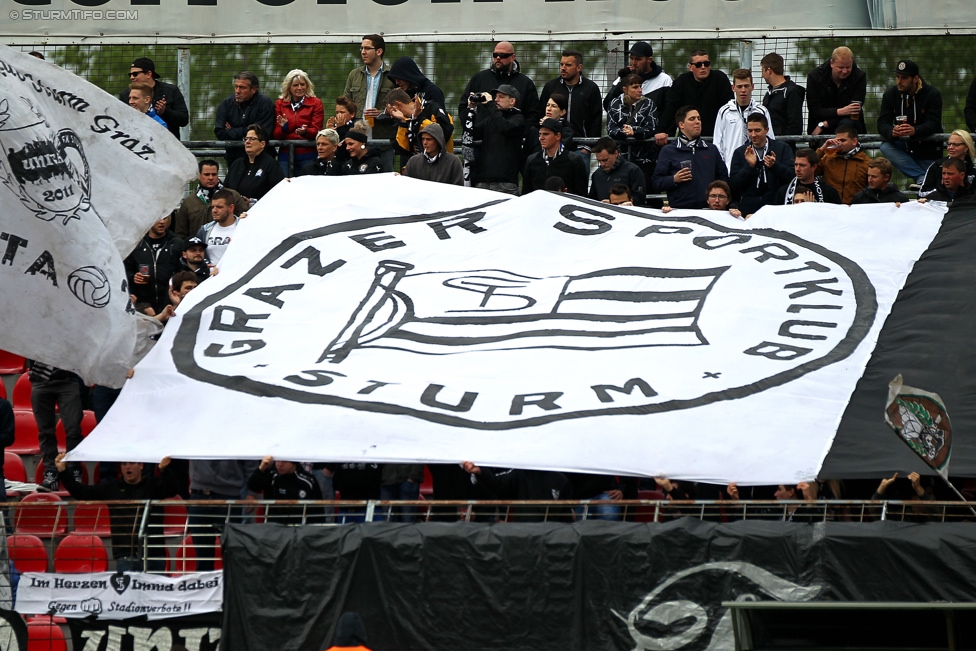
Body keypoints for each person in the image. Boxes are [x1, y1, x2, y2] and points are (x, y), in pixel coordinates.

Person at [56, 453, 182, 571]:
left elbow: (174, 489)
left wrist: (164, 470)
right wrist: (63, 471)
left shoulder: (153, 485)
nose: (127, 466)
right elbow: (81, 492)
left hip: (154, 555)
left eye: (132, 463)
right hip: (125, 556)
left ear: (141, 465)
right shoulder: (112, 488)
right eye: (123, 463)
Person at [458, 41, 540, 185]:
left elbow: (533, 116)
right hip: (480, 146)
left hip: (509, 151)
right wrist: (472, 110)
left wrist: (516, 135)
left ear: (513, 57)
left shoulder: (525, 83)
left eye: (503, 55)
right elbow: (463, 107)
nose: (498, 58)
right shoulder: (479, 78)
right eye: (495, 55)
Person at [878, 60, 943, 185]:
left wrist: (915, 130)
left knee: (928, 194)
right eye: (897, 77)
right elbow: (882, 123)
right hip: (904, 145)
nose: (899, 81)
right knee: (885, 146)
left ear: (915, 79)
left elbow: (934, 123)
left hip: (926, 148)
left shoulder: (932, 94)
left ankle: (924, 179)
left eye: (904, 78)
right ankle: (921, 177)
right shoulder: (890, 95)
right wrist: (892, 131)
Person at [652, 106, 729, 209]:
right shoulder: (668, 151)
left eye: (699, 118)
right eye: (692, 119)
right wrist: (673, 179)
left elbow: (723, 179)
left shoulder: (711, 149)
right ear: (681, 125)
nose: (697, 122)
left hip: (708, 210)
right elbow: (656, 182)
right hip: (679, 210)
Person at [188, 460, 258, 571]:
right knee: (202, 550)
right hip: (199, 495)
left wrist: (252, 492)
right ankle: (205, 585)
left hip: (228, 496)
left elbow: (250, 463)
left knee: (231, 549)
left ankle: (232, 584)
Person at [343, 34, 396, 172]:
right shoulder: (354, 75)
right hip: (358, 140)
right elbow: (345, 104)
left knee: (385, 180)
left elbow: (400, 106)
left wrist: (383, 112)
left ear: (379, 51)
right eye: (361, 48)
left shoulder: (392, 75)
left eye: (367, 48)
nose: (363, 52)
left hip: (384, 142)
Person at [28, 363, 83, 491]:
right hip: (40, 379)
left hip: (68, 377)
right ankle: (51, 471)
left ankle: (73, 468)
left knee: (73, 428)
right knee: (45, 431)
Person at [604, 41, 673, 144]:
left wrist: (660, 132)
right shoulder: (624, 78)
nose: (633, 63)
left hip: (653, 140)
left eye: (638, 59)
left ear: (649, 60)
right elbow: (608, 105)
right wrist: (622, 81)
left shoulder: (664, 80)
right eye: (632, 58)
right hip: (625, 141)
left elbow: (669, 111)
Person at [461, 461, 573, 522]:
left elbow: (566, 513)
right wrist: (480, 471)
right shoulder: (521, 473)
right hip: (523, 536)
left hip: (551, 539)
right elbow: (497, 483)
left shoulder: (561, 480)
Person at [729, 113, 794, 215]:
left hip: (775, 207)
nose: (753, 135)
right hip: (748, 209)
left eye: (757, 130)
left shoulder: (782, 148)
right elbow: (733, 185)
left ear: (767, 130)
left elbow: (792, 177)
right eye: (750, 131)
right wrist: (749, 167)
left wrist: (775, 166)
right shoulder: (740, 152)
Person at [659, 49, 732, 139]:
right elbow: (671, 109)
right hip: (688, 137)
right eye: (698, 65)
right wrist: (662, 131)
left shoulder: (720, 79)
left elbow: (728, 107)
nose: (703, 67)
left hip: (716, 135)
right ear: (690, 67)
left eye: (706, 64)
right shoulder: (681, 82)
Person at [713, 69, 776, 172]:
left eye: (746, 86)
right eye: (739, 86)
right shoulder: (724, 112)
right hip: (731, 168)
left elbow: (770, 138)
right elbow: (717, 143)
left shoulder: (762, 111)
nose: (743, 90)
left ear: (752, 87)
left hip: (758, 167)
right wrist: (723, 167)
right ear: (733, 88)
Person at [539, 49, 603, 145]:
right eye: (561, 64)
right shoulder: (551, 86)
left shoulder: (591, 88)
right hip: (554, 145)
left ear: (579, 67)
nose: (563, 68)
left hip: (581, 146)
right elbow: (541, 113)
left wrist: (589, 147)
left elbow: (596, 120)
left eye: (568, 65)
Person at [470, 84, 525, 195]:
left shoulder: (518, 119)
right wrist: (472, 110)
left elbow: (504, 127)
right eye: (496, 97)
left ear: (512, 101)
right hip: (483, 182)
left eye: (501, 97)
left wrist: (490, 105)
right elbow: (472, 133)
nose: (496, 100)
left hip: (505, 183)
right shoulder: (490, 120)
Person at [124, 214, 184, 314]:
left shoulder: (177, 244)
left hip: (170, 302)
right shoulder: (136, 244)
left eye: (165, 218)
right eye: (158, 218)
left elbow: (184, 270)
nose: (162, 222)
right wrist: (133, 277)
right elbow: (124, 269)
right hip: (144, 305)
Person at [118, 56, 188, 140]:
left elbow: (184, 120)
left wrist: (165, 112)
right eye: (130, 74)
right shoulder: (125, 95)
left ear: (148, 74)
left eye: (135, 74)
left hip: (168, 145)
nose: (132, 77)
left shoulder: (170, 91)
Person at [174, 160, 247, 239]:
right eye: (207, 174)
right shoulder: (188, 202)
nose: (211, 178)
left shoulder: (233, 196)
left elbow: (246, 221)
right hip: (198, 249)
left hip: (227, 245)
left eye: (214, 174)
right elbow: (180, 233)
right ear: (198, 176)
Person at [214, 71, 276, 165]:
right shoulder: (226, 104)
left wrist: (232, 131)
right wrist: (250, 130)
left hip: (261, 159)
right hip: (234, 159)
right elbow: (219, 132)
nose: (237, 91)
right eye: (236, 87)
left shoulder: (265, 103)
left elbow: (263, 132)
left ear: (253, 89)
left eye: (242, 88)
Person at [606, 70, 659, 180]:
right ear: (625, 89)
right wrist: (623, 132)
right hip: (620, 159)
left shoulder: (648, 103)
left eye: (640, 86)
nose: (639, 90)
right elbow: (610, 128)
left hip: (644, 158)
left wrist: (634, 131)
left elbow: (652, 127)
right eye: (635, 87)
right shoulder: (614, 104)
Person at [273, 69, 324, 175]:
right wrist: (284, 128)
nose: (300, 88)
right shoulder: (280, 104)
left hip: (308, 154)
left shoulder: (316, 103)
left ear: (307, 86)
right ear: (289, 87)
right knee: (285, 186)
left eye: (302, 84)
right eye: (295, 85)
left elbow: (317, 131)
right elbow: (276, 134)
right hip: (285, 154)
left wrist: (305, 131)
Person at [806, 46, 867, 136]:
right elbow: (815, 110)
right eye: (841, 67)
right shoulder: (814, 77)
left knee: (848, 124)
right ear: (832, 63)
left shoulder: (859, 77)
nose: (845, 71)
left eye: (848, 67)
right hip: (818, 128)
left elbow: (854, 111)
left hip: (848, 126)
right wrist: (840, 111)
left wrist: (826, 123)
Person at [247, 456, 323, 525]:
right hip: (274, 527)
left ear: (293, 462)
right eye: (277, 461)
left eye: (284, 461)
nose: (280, 465)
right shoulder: (271, 475)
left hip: (299, 529)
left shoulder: (307, 481)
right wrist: (261, 468)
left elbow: (318, 510)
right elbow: (253, 487)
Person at [522, 118, 588, 196]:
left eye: (546, 134)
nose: (541, 138)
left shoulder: (574, 160)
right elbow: (526, 193)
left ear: (558, 136)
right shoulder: (532, 160)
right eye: (540, 134)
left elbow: (581, 195)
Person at [385, 87, 454, 161]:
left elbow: (444, 132)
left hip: (442, 164)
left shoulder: (432, 108)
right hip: (420, 166)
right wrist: (403, 123)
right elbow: (403, 150)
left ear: (398, 105)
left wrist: (420, 118)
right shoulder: (401, 121)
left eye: (391, 111)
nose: (391, 116)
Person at [223, 124, 284, 204]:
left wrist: (252, 202)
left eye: (252, 139)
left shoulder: (271, 165)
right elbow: (225, 190)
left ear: (262, 144)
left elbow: (277, 194)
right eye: (246, 139)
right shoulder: (237, 164)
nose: (247, 142)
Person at [814, 125, 870, 204]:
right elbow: (810, 169)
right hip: (831, 207)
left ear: (854, 141)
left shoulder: (866, 162)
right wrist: (822, 149)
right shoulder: (828, 158)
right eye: (837, 140)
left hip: (854, 209)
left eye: (843, 140)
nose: (839, 143)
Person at [772, 148, 842, 205]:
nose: (797, 169)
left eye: (802, 165)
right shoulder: (784, 192)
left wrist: (811, 208)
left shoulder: (828, 193)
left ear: (814, 167)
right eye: (796, 165)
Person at [919, 129, 975, 199]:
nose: (950, 147)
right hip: (938, 206)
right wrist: (943, 192)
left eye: (956, 144)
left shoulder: (972, 170)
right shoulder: (937, 166)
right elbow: (922, 193)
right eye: (949, 144)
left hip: (964, 207)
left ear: (966, 147)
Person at [589, 136, 646, 205]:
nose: (602, 164)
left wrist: (616, 204)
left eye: (605, 160)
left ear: (616, 153)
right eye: (599, 161)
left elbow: (640, 198)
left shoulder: (633, 171)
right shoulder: (597, 174)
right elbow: (592, 199)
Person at [760, 52, 805, 140]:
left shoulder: (791, 91)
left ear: (769, 71)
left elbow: (795, 124)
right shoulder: (769, 93)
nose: (762, 75)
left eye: (762, 71)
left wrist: (782, 142)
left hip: (784, 145)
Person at [195, 189, 239, 268]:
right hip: (212, 277)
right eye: (213, 207)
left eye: (219, 207)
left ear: (231, 208)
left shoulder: (242, 228)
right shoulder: (205, 230)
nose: (214, 211)